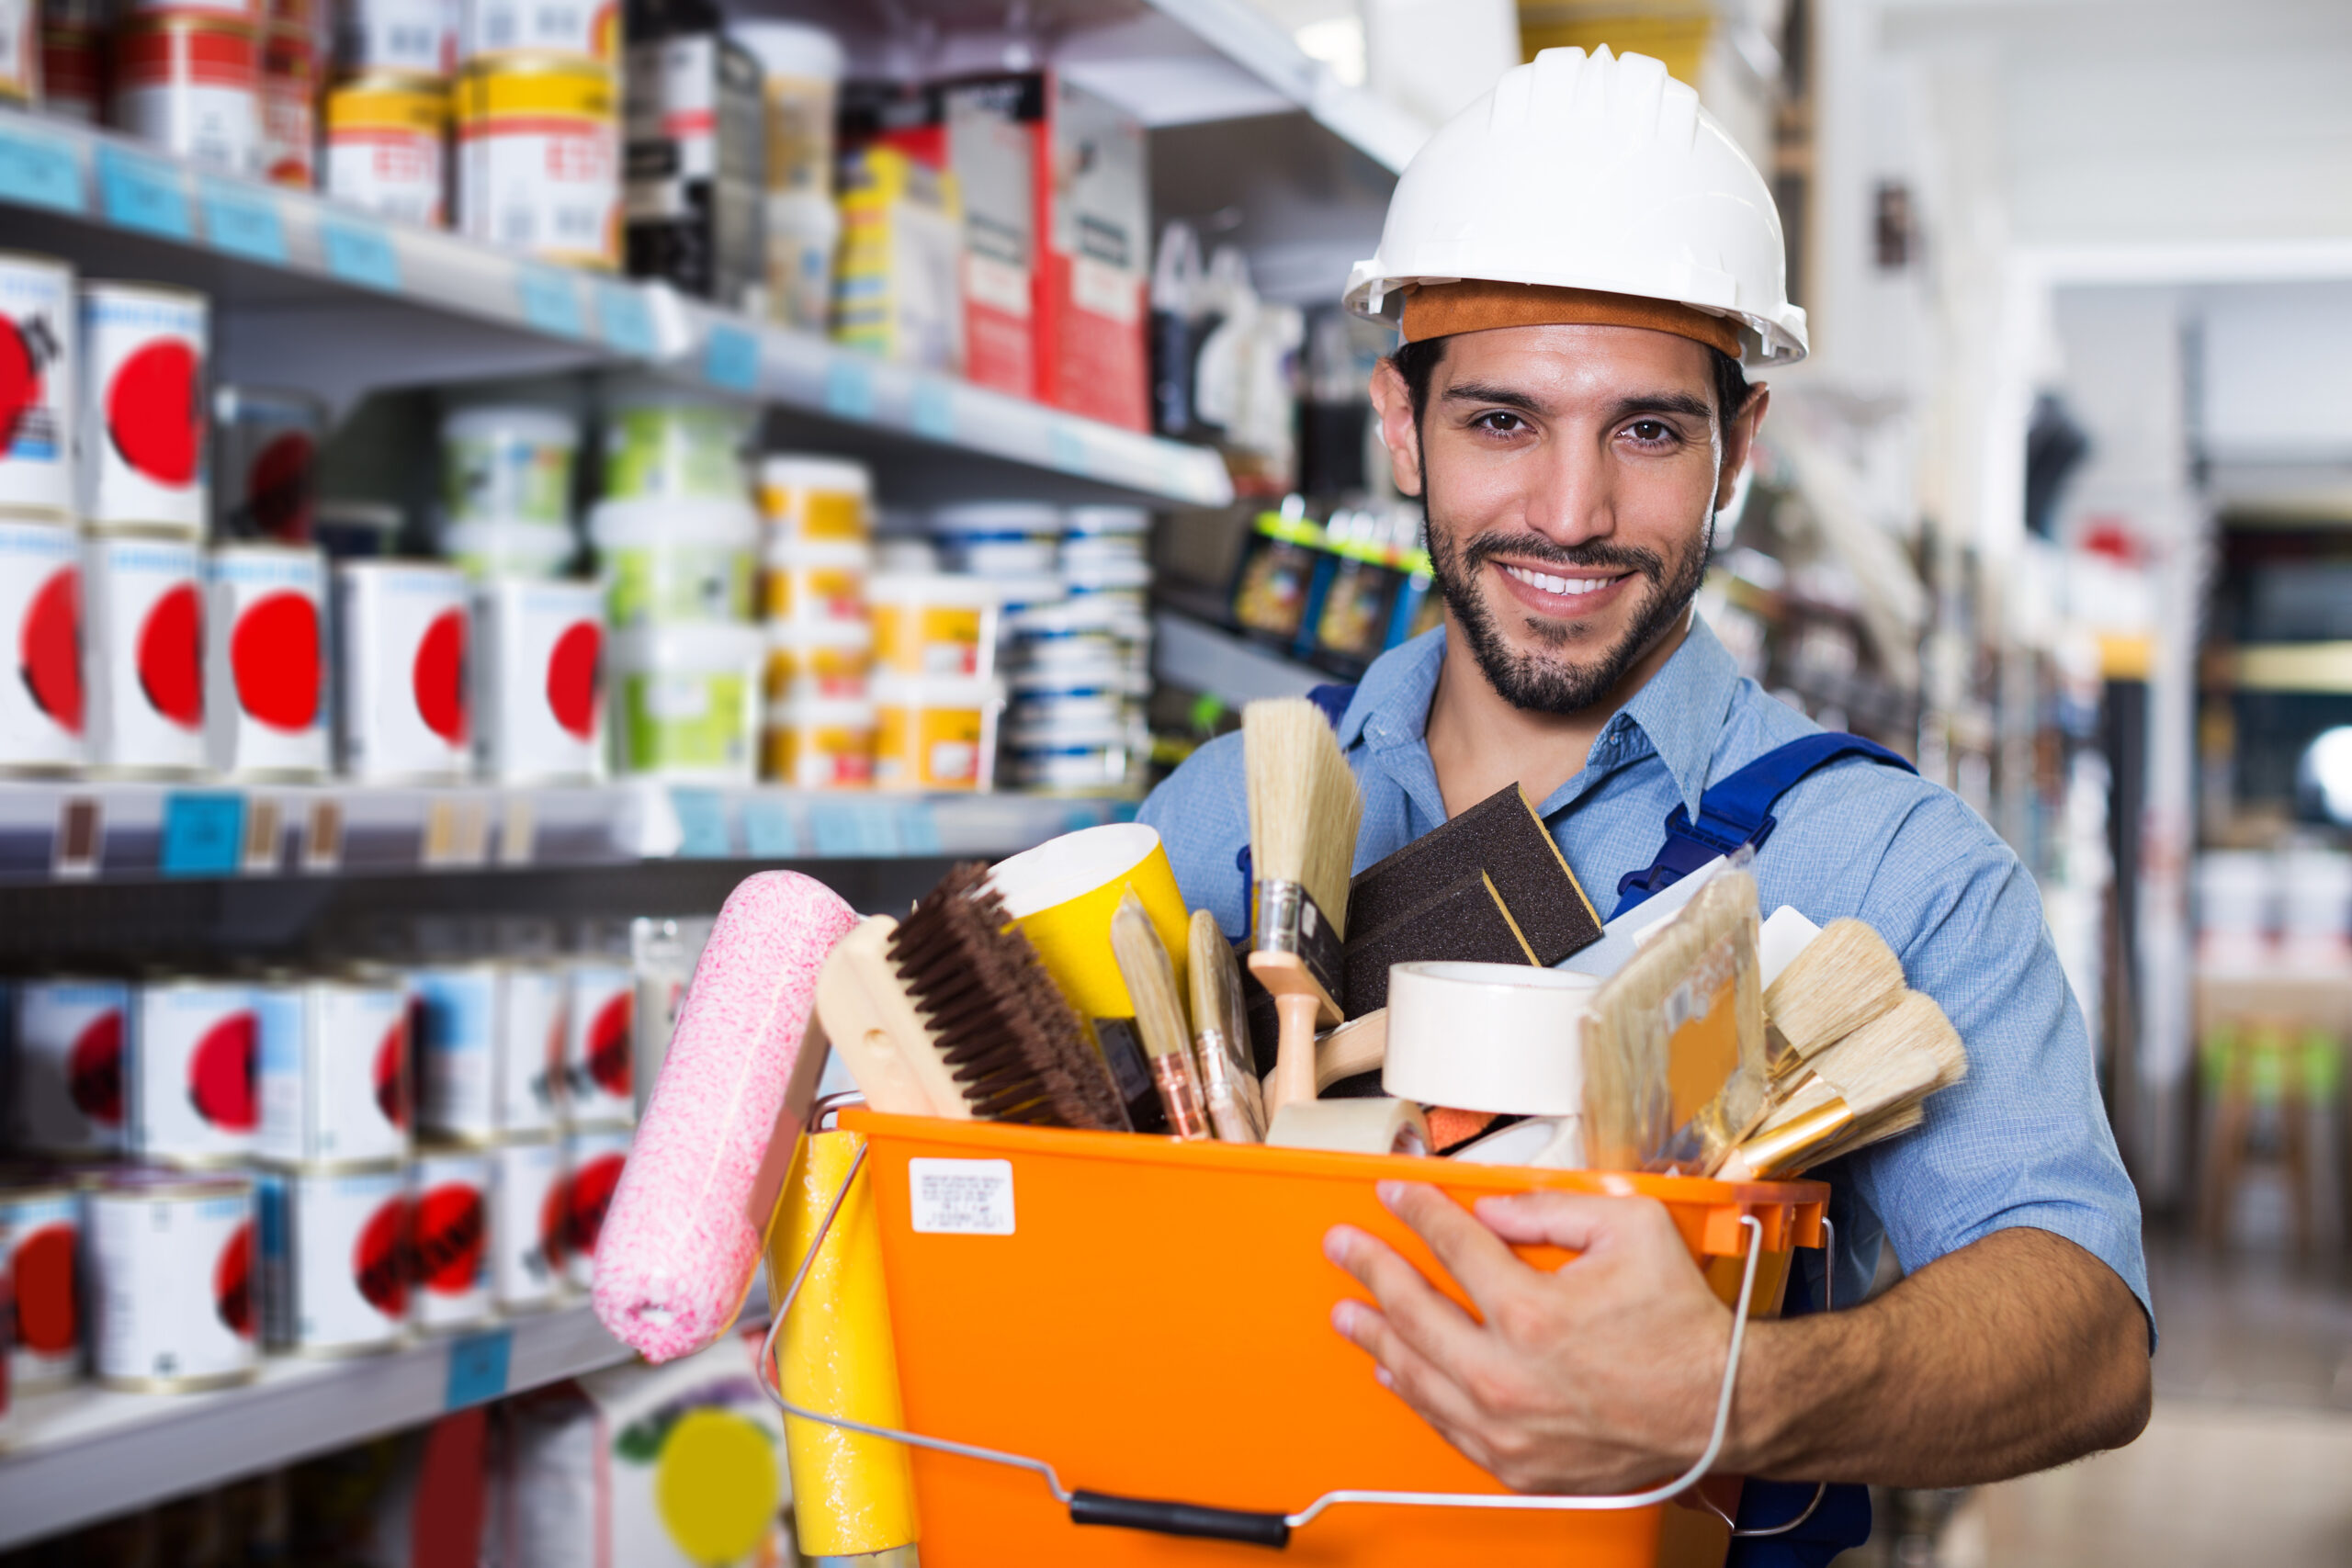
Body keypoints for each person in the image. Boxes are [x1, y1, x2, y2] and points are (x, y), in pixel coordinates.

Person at [1136, 45, 2150, 1562]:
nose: (1570, 513)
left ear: (1738, 447)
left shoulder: (1888, 864)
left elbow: (2090, 1340)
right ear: (1401, 426)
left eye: (1648, 430)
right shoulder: (1229, 820)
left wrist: (1733, 1395)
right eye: (1499, 421)